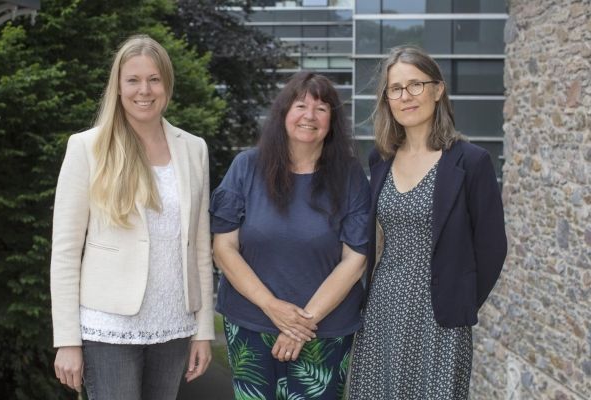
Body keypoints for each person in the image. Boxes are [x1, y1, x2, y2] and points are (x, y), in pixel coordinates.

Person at [50, 34, 214, 399]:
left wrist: (203, 330)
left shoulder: (194, 149)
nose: (145, 90)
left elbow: (201, 249)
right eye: (133, 80)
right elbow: (65, 251)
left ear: (167, 84)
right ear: (118, 86)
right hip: (108, 327)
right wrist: (67, 340)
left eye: (154, 79)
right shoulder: (87, 147)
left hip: (173, 326)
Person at [348, 46, 507, 399]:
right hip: (383, 309)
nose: (406, 96)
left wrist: (460, 300)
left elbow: (492, 248)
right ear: (387, 99)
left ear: (437, 90)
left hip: (441, 318)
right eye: (395, 89)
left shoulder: (471, 162)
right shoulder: (380, 159)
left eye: (415, 85)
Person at [210, 71, 370, 399]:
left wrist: (300, 324)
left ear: (332, 122)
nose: (309, 116)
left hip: (324, 331)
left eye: (321, 109)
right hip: (251, 325)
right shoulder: (245, 167)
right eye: (300, 106)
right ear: (283, 114)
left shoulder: (351, 175)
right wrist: (272, 307)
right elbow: (223, 248)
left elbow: (355, 260)